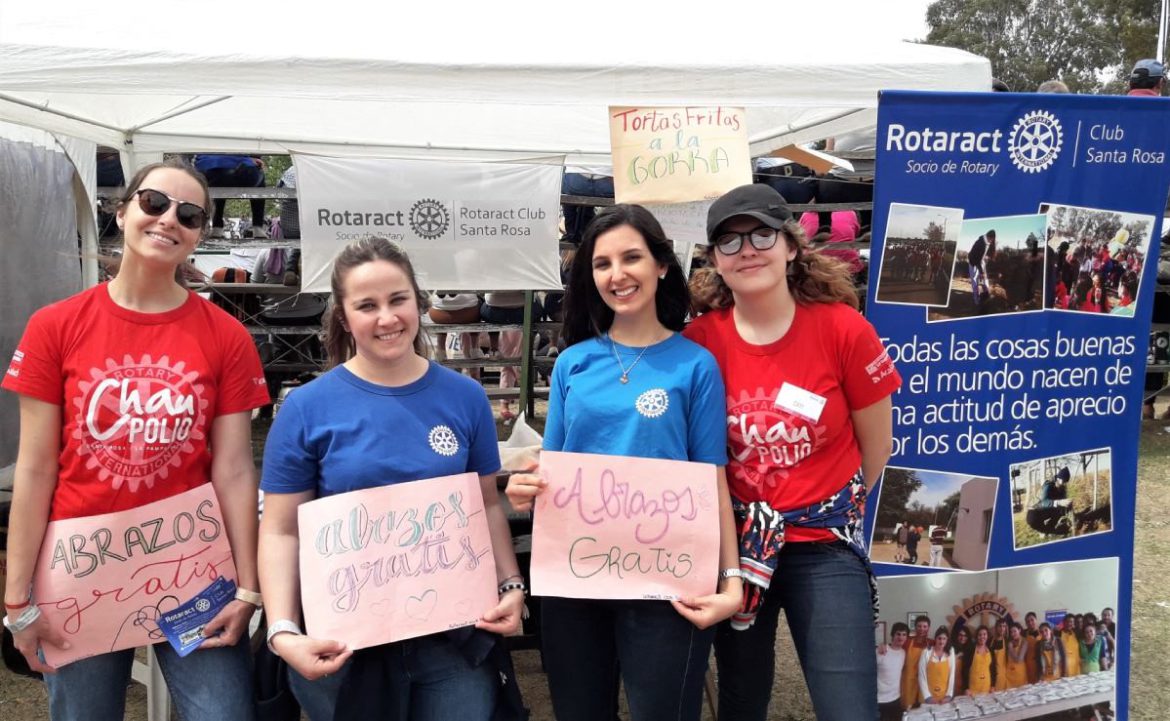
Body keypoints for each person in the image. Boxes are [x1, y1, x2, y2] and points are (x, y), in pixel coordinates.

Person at [2, 159, 270, 721]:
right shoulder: (56, 326)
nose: (169, 219)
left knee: (225, 714)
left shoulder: (226, 335)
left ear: (200, 234)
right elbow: (34, 469)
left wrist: (249, 588)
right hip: (82, 573)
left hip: (194, 573)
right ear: (121, 211)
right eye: (154, 203)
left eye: (190, 214)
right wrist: (16, 597)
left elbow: (235, 471)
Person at [257, 238, 526, 721]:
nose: (387, 318)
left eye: (398, 299)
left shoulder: (464, 398)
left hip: (451, 639)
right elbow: (279, 530)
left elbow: (485, 504)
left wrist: (510, 584)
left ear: (418, 302)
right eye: (367, 305)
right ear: (343, 317)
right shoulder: (305, 408)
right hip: (344, 646)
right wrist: (281, 630)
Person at [504, 204, 742, 721]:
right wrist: (526, 488)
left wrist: (731, 577)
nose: (617, 274)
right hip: (576, 578)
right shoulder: (573, 362)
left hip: (668, 578)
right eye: (602, 263)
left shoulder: (695, 365)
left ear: (661, 264)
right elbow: (558, 468)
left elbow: (712, 480)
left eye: (631, 257)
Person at [685, 183, 900, 721]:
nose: (748, 249)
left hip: (820, 545)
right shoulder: (699, 342)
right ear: (714, 260)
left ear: (790, 245)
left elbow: (877, 446)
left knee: (848, 704)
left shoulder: (843, 330)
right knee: (741, 697)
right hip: (736, 551)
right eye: (729, 242)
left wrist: (824, 506)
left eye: (762, 234)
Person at [193, 154, 268, 239]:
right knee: (259, 174)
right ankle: (258, 227)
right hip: (238, 169)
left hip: (206, 171)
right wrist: (252, 158)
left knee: (219, 185)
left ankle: (217, 227)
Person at [876, 622, 909, 721]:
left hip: (895, 699)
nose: (901, 637)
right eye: (898, 634)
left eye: (904, 635)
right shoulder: (881, 651)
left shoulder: (903, 653)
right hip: (880, 700)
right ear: (892, 635)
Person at [901, 616, 933, 710]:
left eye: (924, 626)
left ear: (928, 628)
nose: (922, 629)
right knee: (908, 711)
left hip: (925, 682)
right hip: (908, 682)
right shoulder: (907, 642)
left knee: (923, 710)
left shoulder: (932, 643)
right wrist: (883, 647)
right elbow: (894, 647)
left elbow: (946, 648)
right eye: (919, 626)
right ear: (915, 627)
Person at [918, 627, 955, 705]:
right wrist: (927, 697)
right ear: (935, 639)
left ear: (947, 640)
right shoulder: (926, 652)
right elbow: (921, 675)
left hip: (944, 697)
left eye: (944, 639)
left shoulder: (950, 652)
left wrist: (948, 695)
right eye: (939, 638)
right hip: (927, 698)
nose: (941, 641)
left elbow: (952, 675)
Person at [967, 229, 996, 308]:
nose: (991, 242)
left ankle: (986, 295)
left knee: (985, 280)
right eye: (991, 240)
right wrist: (981, 272)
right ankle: (977, 299)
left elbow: (984, 255)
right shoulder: (980, 244)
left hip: (981, 261)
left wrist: (987, 257)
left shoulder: (987, 242)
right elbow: (977, 260)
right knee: (975, 282)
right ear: (989, 237)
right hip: (973, 262)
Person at [966, 625, 995, 695]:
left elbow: (993, 669)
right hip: (973, 687)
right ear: (976, 637)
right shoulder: (971, 650)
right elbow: (965, 670)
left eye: (984, 634)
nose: (982, 637)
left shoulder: (990, 650)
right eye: (980, 635)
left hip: (987, 686)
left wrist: (993, 685)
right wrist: (966, 688)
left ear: (987, 636)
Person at [1003, 622, 1030, 689]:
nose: (1012, 634)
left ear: (1019, 630)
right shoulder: (1009, 641)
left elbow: (1019, 659)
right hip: (1009, 673)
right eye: (1011, 632)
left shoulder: (1024, 641)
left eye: (1015, 631)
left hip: (1020, 673)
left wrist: (1011, 648)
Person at [952, 625, 973, 696]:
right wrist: (957, 656)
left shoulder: (971, 649)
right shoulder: (951, 649)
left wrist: (966, 687)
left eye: (965, 636)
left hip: (966, 685)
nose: (962, 638)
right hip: (953, 684)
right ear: (956, 636)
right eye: (960, 635)